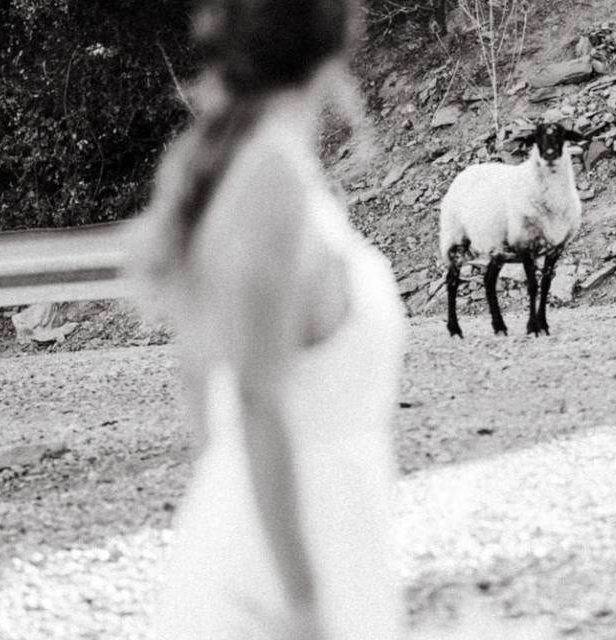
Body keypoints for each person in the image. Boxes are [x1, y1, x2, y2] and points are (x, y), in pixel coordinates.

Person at [126, 0, 406, 638]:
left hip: (293, 522)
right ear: (338, 42)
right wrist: (303, 599)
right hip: (297, 542)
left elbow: (199, 379)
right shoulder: (273, 174)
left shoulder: (241, 164)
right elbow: (255, 394)